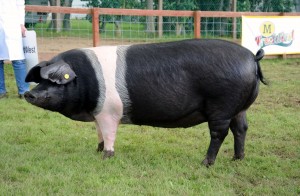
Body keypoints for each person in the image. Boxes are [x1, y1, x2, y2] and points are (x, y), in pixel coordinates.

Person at [0, 0, 30, 99]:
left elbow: (20, 5)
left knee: (18, 59)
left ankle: (24, 91)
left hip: (12, 25)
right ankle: (1, 92)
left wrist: (21, 24)